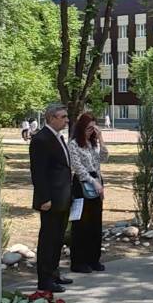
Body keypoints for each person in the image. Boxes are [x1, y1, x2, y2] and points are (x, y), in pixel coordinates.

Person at [28, 102, 75, 292]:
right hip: (51, 199)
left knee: (58, 238)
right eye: (63, 117)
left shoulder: (57, 137)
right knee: (48, 239)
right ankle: (45, 280)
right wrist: (44, 197)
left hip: (63, 197)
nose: (66, 120)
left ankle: (54, 273)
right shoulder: (41, 139)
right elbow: (38, 172)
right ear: (51, 118)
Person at [67, 112, 109, 275]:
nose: (91, 131)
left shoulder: (92, 144)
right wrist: (94, 183)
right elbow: (79, 169)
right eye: (89, 128)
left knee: (95, 224)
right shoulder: (74, 144)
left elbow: (103, 159)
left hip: (97, 182)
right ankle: (79, 261)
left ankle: (94, 259)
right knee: (81, 225)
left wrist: (100, 139)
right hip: (83, 185)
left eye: (94, 128)